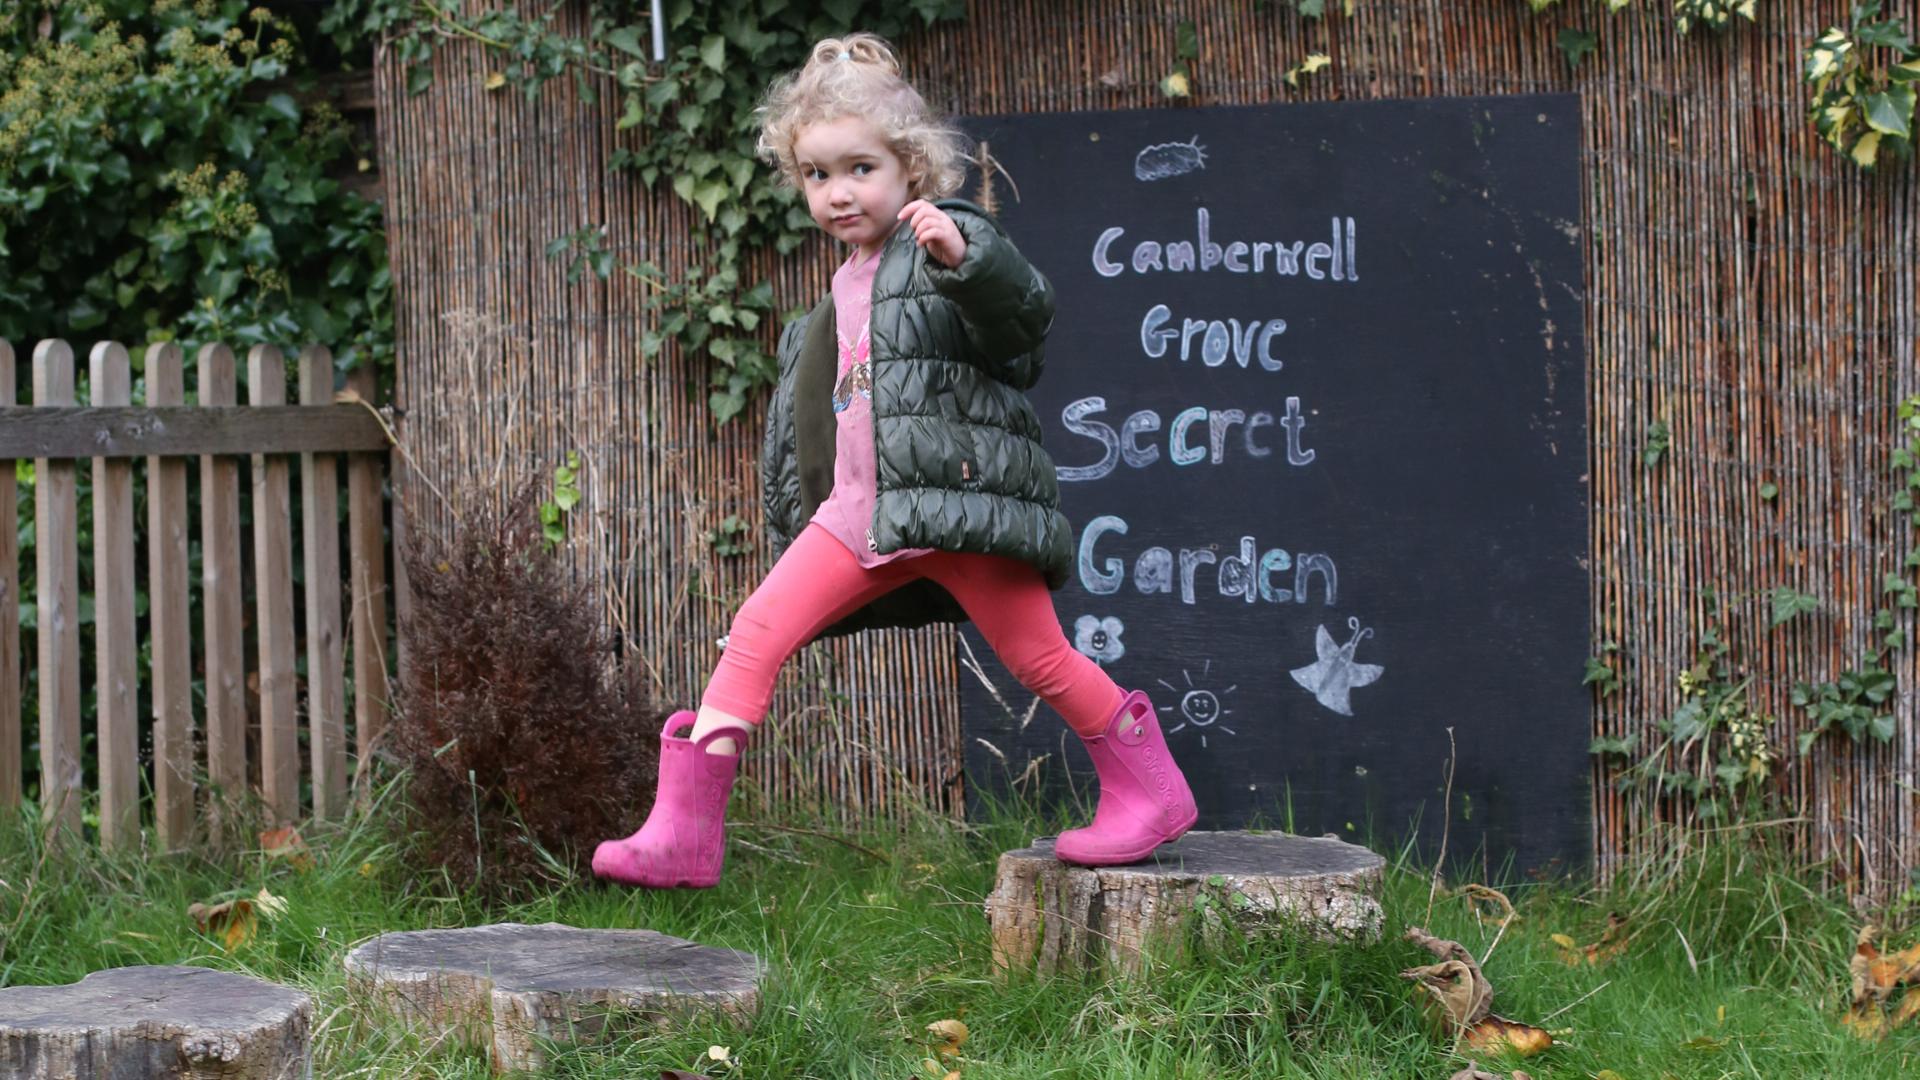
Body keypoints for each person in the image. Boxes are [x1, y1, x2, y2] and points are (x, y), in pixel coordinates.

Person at [592, 33, 1197, 889]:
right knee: (754, 634)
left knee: (1041, 661)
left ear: (910, 166)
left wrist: (965, 261)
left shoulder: (945, 242)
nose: (839, 193)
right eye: (817, 174)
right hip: (859, 514)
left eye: (860, 168)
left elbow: (1022, 328)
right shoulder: (844, 281)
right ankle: (684, 833)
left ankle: (1150, 794)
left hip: (956, 509)